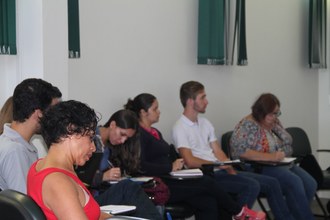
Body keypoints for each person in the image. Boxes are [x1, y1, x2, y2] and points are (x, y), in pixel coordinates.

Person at [125, 93, 266, 220]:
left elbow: (166, 154)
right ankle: (240, 212)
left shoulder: (155, 132)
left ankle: (239, 213)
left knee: (207, 201)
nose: (159, 111)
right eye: (155, 109)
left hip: (170, 177)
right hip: (158, 185)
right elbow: (140, 166)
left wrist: (176, 162)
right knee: (206, 182)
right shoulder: (138, 135)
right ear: (143, 112)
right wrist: (170, 166)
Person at [172, 81, 296, 220]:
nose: (207, 101)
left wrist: (229, 168)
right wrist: (217, 165)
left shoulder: (205, 123)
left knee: (272, 183)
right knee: (251, 185)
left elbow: (218, 151)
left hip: (220, 170)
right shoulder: (180, 127)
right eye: (202, 97)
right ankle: (238, 214)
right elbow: (190, 161)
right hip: (206, 175)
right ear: (190, 101)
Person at [230, 93, 317, 220]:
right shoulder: (248, 125)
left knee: (311, 183)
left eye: (277, 113)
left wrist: (281, 151)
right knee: (294, 182)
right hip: (258, 166)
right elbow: (240, 152)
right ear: (260, 112)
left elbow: (288, 142)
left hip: (279, 162)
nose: (275, 117)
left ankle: (294, 216)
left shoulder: (273, 122)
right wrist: (270, 156)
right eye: (271, 114)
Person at [27, 100, 111, 220]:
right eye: (90, 137)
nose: (93, 147)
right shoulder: (58, 182)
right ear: (70, 130)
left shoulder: (39, 165)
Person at [90, 109, 163, 220]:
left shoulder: (110, 147)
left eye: (127, 138)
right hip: (92, 197)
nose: (123, 140)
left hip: (102, 191)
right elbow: (80, 176)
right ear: (113, 124)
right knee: (128, 187)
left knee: (149, 200)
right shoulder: (91, 140)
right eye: (122, 134)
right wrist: (103, 176)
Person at [0, 78, 61, 193]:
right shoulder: (14, 150)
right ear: (39, 114)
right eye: (52, 112)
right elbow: (24, 204)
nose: (55, 119)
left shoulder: (19, 144)